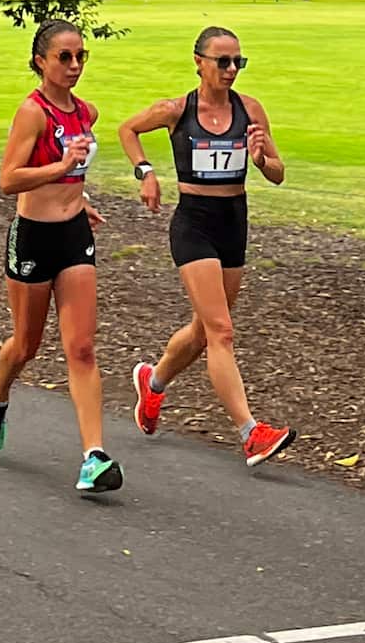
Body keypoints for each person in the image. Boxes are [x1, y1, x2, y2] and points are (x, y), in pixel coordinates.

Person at [118, 24, 295, 468]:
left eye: (239, 61)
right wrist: (146, 173)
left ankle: (152, 384)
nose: (232, 69)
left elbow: (277, 172)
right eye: (223, 61)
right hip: (193, 224)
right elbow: (128, 129)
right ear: (199, 62)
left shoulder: (250, 110)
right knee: (222, 332)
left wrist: (261, 159)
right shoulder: (177, 110)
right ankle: (251, 433)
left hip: (234, 223)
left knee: (202, 330)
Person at [0, 19, 124, 495]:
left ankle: (94, 457)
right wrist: (59, 168)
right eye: (65, 57)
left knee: (81, 347)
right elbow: (8, 179)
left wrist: (77, 197)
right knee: (27, 344)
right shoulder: (32, 113)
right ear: (41, 60)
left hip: (74, 236)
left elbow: (74, 172)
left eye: (81, 56)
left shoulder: (87, 113)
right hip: (33, 237)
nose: (75, 65)